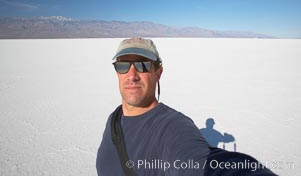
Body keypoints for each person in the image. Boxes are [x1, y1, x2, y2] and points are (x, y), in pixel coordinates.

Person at [96, 37, 276, 176]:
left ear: (158, 73)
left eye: (142, 65)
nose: (131, 75)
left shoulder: (173, 127)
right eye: (123, 65)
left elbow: (201, 164)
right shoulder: (114, 119)